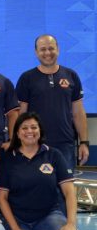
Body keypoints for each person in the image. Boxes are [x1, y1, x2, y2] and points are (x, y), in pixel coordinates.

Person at [0, 112, 81, 230]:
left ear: (40, 131)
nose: (30, 131)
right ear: (17, 133)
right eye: (25, 128)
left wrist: (71, 223)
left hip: (47, 215)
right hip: (18, 218)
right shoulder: (8, 158)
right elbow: (2, 198)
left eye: (34, 127)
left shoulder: (53, 154)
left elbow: (69, 192)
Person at [16, 34, 90, 168]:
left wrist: (84, 142)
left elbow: (78, 113)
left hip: (65, 145)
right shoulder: (26, 78)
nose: (47, 53)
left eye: (51, 48)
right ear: (36, 52)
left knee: (65, 188)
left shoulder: (71, 75)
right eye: (43, 49)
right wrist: (18, 142)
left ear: (58, 49)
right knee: (36, 188)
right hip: (34, 144)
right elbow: (21, 114)